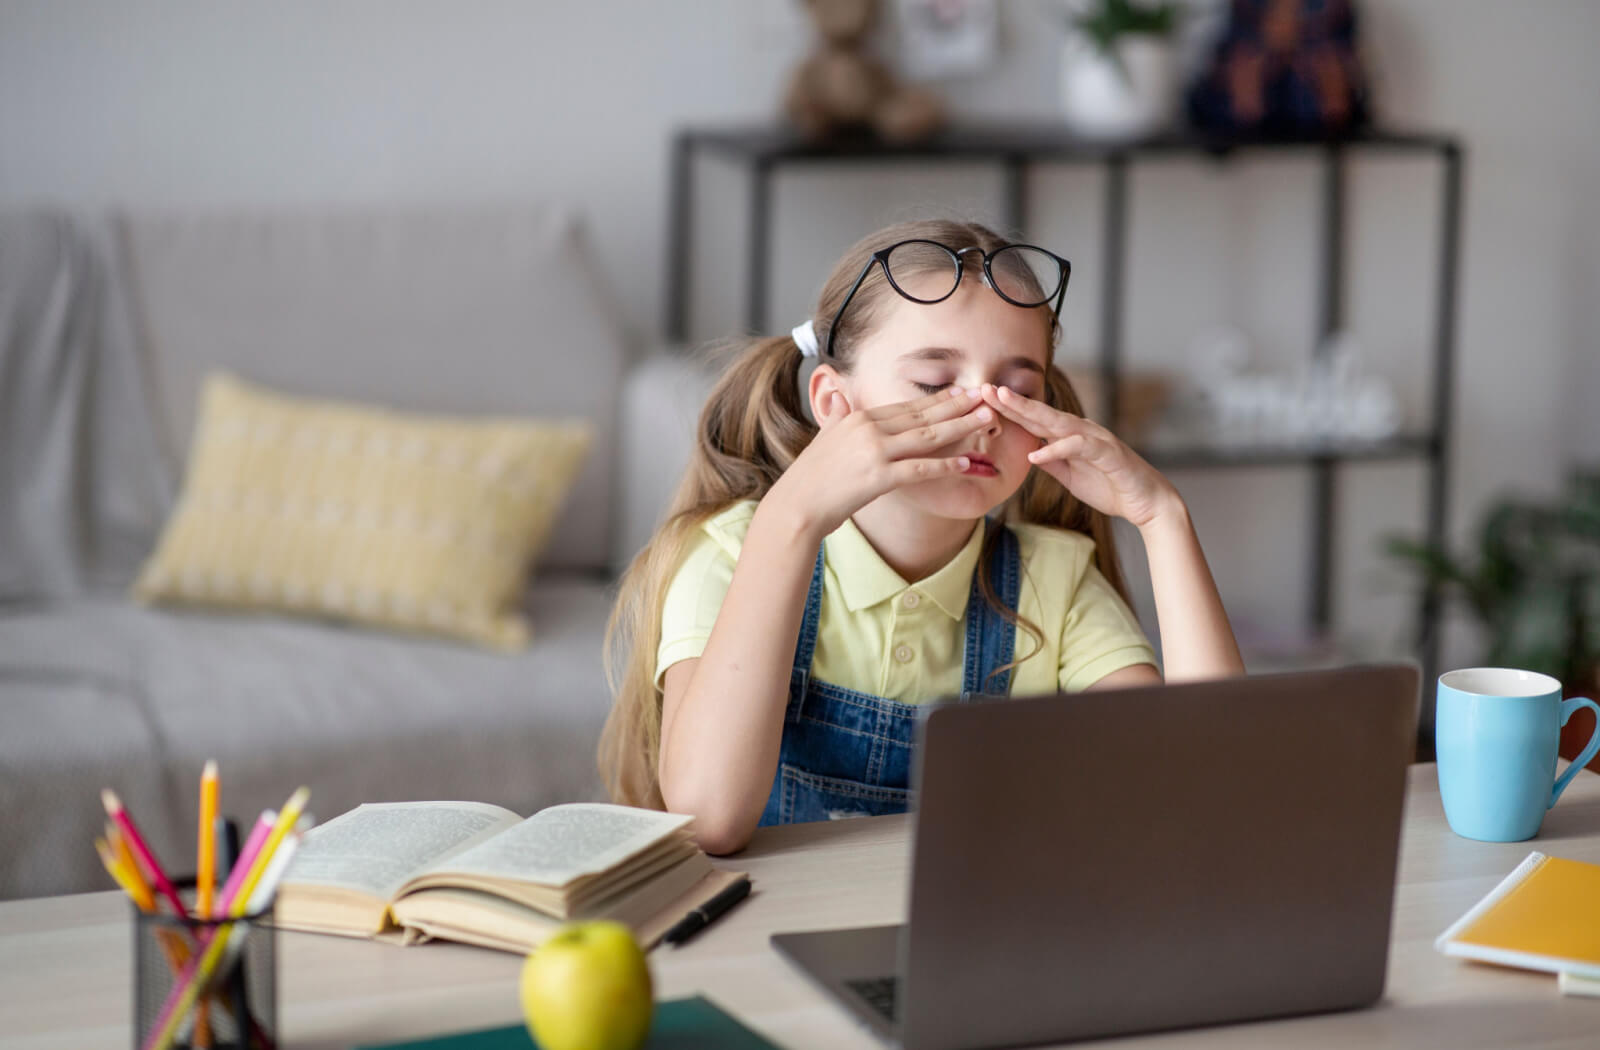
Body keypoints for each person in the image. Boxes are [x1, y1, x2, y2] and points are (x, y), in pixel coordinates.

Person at [601, 218, 1244, 855]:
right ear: (834, 405)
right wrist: (790, 518)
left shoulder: (1055, 582)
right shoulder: (732, 553)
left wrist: (1164, 519)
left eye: (1018, 390)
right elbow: (709, 818)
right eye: (935, 385)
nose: (984, 416)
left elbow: (1201, 794)